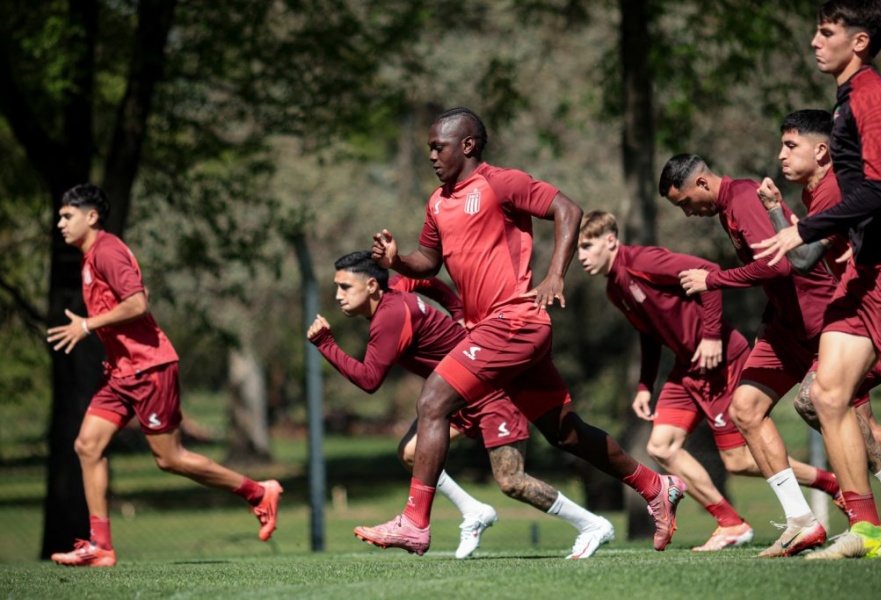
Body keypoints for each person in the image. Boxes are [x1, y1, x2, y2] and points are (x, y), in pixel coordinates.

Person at [353, 107, 686, 557]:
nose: (431, 155)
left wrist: (555, 275)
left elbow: (568, 209)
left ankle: (414, 523)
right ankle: (655, 486)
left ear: (467, 145)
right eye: (429, 148)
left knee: (433, 402)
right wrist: (396, 261)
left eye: (438, 147)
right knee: (565, 433)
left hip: (514, 321)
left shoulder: (501, 183)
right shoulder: (437, 202)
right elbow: (428, 263)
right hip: (498, 330)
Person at [307, 251, 615, 559]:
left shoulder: (390, 316)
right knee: (411, 453)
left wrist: (326, 344)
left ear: (372, 285)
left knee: (512, 482)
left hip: (491, 390)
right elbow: (426, 281)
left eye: (345, 287)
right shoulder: (395, 288)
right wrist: (458, 312)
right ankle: (474, 511)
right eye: (337, 287)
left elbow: (369, 379)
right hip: (454, 396)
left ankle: (592, 524)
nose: (338, 296)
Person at [578, 210, 847, 551]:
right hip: (687, 369)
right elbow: (648, 334)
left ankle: (830, 483)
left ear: (610, 240)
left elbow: (707, 271)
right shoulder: (614, 289)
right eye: (579, 249)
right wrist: (645, 385)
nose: (581, 256)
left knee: (738, 461)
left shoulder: (642, 261)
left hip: (721, 362)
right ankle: (730, 523)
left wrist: (710, 336)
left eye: (587, 246)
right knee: (661, 447)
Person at [46, 184, 282, 567]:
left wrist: (87, 325)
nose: (60, 223)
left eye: (67, 216)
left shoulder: (106, 250)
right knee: (87, 446)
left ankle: (258, 492)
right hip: (120, 372)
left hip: (149, 368)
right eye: (59, 216)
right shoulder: (92, 257)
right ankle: (100, 547)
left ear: (91, 216)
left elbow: (138, 302)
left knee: (170, 459)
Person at [751, 0, 881, 559]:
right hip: (863, 272)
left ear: (859, 42)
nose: (815, 41)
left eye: (827, 31)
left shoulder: (872, 96)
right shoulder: (845, 100)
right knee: (826, 395)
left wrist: (805, 229)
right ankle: (864, 531)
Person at [659, 154, 851, 557]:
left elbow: (778, 268)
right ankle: (801, 521)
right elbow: (775, 278)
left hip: (820, 322)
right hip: (784, 327)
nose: (688, 213)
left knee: (852, 421)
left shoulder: (744, 198)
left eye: (686, 203)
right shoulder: (728, 208)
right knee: (745, 409)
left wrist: (713, 280)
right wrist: (769, 318)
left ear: (702, 183)